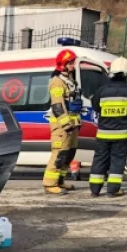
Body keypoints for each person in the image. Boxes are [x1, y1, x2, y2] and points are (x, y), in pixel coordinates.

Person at [88, 57, 127, 198]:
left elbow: (95, 107)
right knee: (117, 161)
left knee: (100, 159)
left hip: (103, 134)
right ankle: (112, 190)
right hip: (121, 134)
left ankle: (95, 190)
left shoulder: (101, 91)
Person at [43, 49, 82, 195]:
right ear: (63, 64)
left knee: (69, 154)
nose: (73, 65)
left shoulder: (70, 80)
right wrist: (66, 124)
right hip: (62, 126)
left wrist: (76, 123)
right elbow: (58, 105)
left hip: (73, 124)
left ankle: (60, 181)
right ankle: (49, 183)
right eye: (70, 63)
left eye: (73, 62)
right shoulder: (56, 82)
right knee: (59, 154)